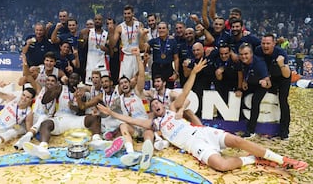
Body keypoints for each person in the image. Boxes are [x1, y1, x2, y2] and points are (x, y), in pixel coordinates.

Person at [97, 58, 308, 172]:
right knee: (222, 166)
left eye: (157, 103)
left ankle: (281, 159)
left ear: (162, 105)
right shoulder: (153, 124)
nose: (156, 105)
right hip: (194, 146)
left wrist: (194, 74)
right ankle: (254, 160)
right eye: (153, 106)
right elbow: (130, 119)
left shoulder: (170, 109)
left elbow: (186, 91)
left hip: (204, 133)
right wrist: (110, 113)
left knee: (236, 139)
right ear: (152, 111)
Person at [22, 73, 110, 160]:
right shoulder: (61, 88)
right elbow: (44, 101)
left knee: (93, 118)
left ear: (79, 81)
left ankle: (97, 140)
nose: (72, 80)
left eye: (75, 79)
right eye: (71, 78)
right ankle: (43, 147)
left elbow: (81, 110)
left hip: (74, 119)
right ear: (68, 79)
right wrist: (53, 90)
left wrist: (74, 107)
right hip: (60, 118)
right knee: (46, 123)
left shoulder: (82, 92)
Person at [108, 47, 154, 170]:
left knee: (149, 133)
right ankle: (131, 153)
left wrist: (138, 57)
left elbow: (142, 76)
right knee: (123, 126)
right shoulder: (119, 100)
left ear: (129, 84)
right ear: (120, 87)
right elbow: (108, 112)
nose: (124, 84)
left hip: (145, 124)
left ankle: (147, 154)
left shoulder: (138, 92)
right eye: (121, 83)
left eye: (126, 82)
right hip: (134, 128)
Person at [255, 34, 291, 140]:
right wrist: (265, 78)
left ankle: (284, 132)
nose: (265, 46)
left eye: (268, 43)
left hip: (283, 78)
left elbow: (287, 75)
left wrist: (281, 64)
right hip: (269, 77)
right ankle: (267, 127)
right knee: (267, 99)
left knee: (283, 101)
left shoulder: (281, 53)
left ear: (274, 44)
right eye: (263, 43)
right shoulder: (258, 51)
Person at [13, 74, 59, 150]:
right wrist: (25, 63)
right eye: (48, 80)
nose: (50, 82)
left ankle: (27, 136)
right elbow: (29, 76)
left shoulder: (57, 94)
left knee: (43, 117)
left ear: (56, 83)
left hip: (44, 123)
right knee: (14, 131)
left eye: (52, 81)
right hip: (33, 118)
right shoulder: (40, 89)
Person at [239, 43, 271, 138]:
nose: (243, 56)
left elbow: (269, 83)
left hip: (260, 85)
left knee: (255, 101)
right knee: (239, 96)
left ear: (251, 54)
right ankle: (241, 121)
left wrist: (265, 82)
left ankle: (251, 130)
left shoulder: (259, 64)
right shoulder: (240, 62)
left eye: (246, 54)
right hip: (251, 82)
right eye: (241, 54)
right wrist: (244, 81)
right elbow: (242, 72)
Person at [108, 5, 144, 80]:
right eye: (125, 13)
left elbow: (143, 43)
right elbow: (112, 44)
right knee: (124, 80)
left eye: (128, 13)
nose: (126, 15)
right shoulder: (119, 27)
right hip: (126, 57)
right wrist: (111, 33)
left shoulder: (139, 25)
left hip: (137, 56)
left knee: (139, 79)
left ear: (133, 14)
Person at [139, 21, 179, 89]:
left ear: (167, 30)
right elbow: (142, 47)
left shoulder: (173, 41)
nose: (161, 30)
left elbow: (176, 58)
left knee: (169, 90)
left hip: (168, 68)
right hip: (156, 68)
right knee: (156, 90)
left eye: (163, 28)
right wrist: (142, 35)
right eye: (159, 28)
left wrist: (176, 73)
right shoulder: (154, 41)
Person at [79, 14, 110, 85]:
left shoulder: (106, 34)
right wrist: (82, 40)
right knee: (90, 85)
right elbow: (80, 45)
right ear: (94, 21)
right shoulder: (87, 32)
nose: (97, 21)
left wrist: (105, 49)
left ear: (102, 21)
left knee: (104, 84)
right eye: (96, 19)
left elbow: (109, 52)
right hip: (90, 63)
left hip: (102, 64)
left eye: (99, 19)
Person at [106, 18, 120, 85]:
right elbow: (110, 53)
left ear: (115, 24)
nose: (109, 25)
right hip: (112, 62)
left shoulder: (120, 35)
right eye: (108, 24)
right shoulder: (106, 36)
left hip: (121, 61)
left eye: (111, 23)